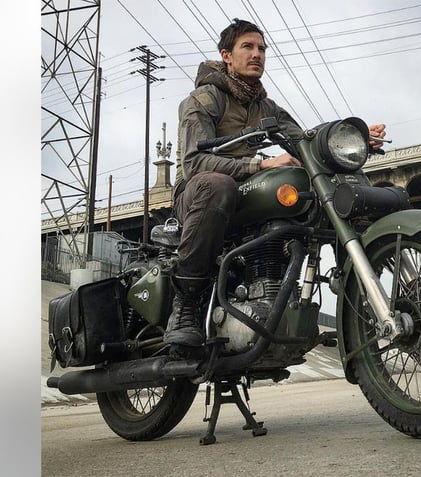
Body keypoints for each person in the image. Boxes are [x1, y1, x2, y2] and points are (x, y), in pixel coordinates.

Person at [164, 18, 386, 356]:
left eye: (262, 49)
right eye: (248, 47)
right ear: (227, 55)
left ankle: (355, 298)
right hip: (197, 193)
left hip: (243, 190)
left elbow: (306, 140)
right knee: (218, 185)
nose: (257, 55)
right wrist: (261, 164)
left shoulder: (265, 106)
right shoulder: (203, 99)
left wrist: (351, 137)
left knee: (328, 189)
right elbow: (194, 164)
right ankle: (186, 307)